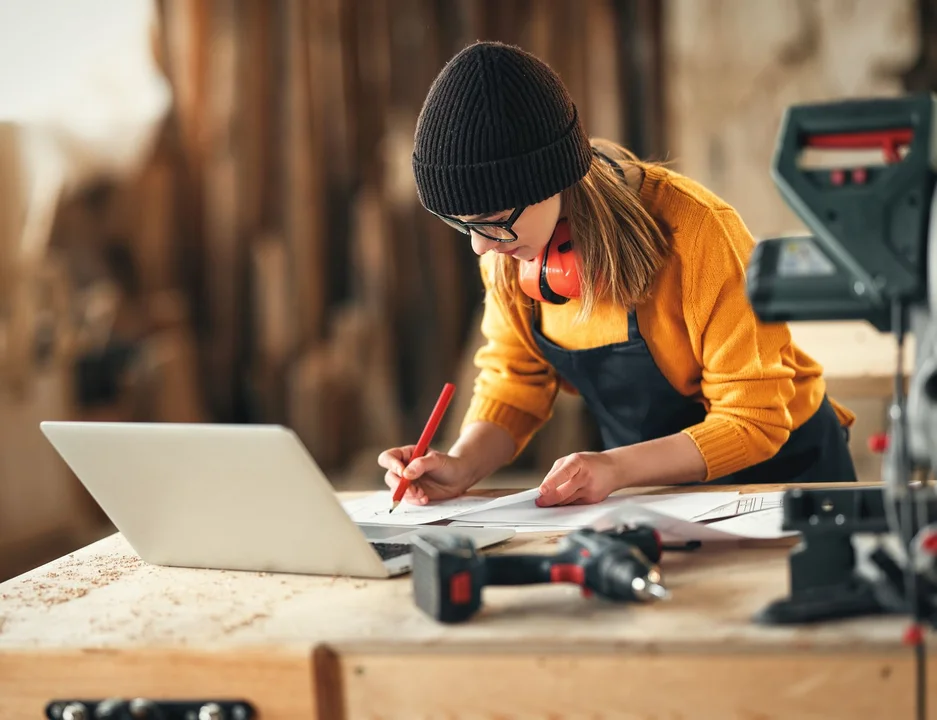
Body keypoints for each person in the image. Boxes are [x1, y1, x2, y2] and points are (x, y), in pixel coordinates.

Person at [378, 40, 857, 508]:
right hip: (660, 500)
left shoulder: (699, 231)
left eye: (492, 220)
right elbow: (515, 384)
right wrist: (461, 464)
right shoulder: (509, 248)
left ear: (551, 178)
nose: (481, 245)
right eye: (462, 224)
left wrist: (617, 468)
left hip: (786, 485)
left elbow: (754, 417)